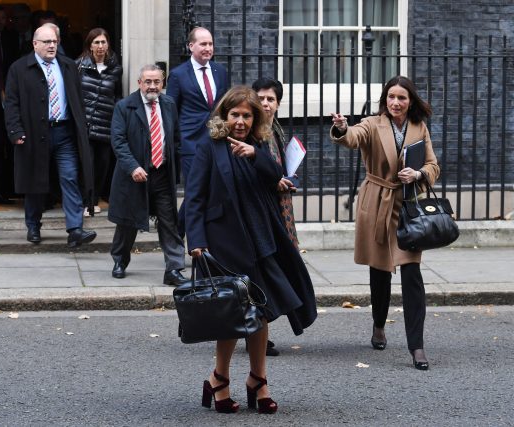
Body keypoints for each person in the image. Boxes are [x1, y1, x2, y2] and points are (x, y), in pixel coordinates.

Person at [185, 86, 317, 414]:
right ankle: (220, 379)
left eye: (247, 115)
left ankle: (258, 379)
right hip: (225, 241)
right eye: (235, 115)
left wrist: (256, 156)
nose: (241, 121)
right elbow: (195, 198)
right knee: (231, 316)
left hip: (261, 239)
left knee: (262, 312)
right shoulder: (209, 147)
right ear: (224, 116)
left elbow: (277, 177)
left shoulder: (257, 145)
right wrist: (197, 241)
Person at [330, 75, 440, 371]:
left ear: (410, 101)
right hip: (377, 202)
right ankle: (379, 324)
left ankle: (416, 346)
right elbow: (353, 137)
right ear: (385, 99)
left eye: (402, 98)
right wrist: (341, 128)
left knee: (412, 275)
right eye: (391, 97)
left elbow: (433, 165)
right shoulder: (372, 123)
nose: (396, 102)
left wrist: (417, 175)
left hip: (407, 207)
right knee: (379, 272)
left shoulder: (419, 126)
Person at [4, 23, 97, 247]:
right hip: (34, 133)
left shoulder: (67, 65)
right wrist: (15, 130)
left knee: (70, 177)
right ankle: (33, 226)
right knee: (35, 180)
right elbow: (11, 103)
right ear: (35, 44)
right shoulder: (19, 69)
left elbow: (77, 100)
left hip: (64, 132)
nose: (52, 45)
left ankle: (75, 229)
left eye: (55, 41)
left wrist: (81, 127)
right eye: (47, 42)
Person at [108, 65, 188, 286]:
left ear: (162, 83)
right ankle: (120, 261)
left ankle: (174, 269)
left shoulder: (169, 104)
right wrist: (133, 167)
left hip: (162, 174)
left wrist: (174, 164)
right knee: (128, 222)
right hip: (134, 175)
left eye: (157, 82)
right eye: (148, 82)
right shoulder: (124, 107)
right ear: (139, 83)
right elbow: (118, 142)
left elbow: (176, 138)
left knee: (169, 221)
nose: (152, 86)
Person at [248, 77, 301, 358]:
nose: (266, 104)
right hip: (262, 212)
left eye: (271, 99)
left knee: (275, 273)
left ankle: (259, 330)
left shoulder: (275, 130)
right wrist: (275, 183)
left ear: (278, 103)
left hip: (280, 210)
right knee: (263, 275)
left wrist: (287, 178)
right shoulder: (251, 132)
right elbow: (251, 173)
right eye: (261, 98)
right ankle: (256, 333)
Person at [166, 26, 229, 235]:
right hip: (191, 143)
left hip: (217, 140)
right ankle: (179, 237)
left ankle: (183, 235)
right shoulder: (178, 74)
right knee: (196, 191)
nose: (208, 48)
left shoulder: (221, 72)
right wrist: (175, 143)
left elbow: (224, 107)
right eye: (203, 44)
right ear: (191, 46)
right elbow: (171, 111)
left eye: (210, 43)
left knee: (210, 190)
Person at [76, 28, 123, 216]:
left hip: (106, 123)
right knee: (86, 164)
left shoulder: (115, 68)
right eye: (96, 42)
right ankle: (85, 202)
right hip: (85, 123)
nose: (100, 46)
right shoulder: (78, 66)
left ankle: (95, 200)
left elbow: (118, 95)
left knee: (102, 165)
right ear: (90, 45)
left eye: (103, 42)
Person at [0, 4, 19, 204]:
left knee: (9, 144)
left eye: (3, 17)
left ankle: (8, 189)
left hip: (8, 96)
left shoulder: (10, 39)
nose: (0, 21)